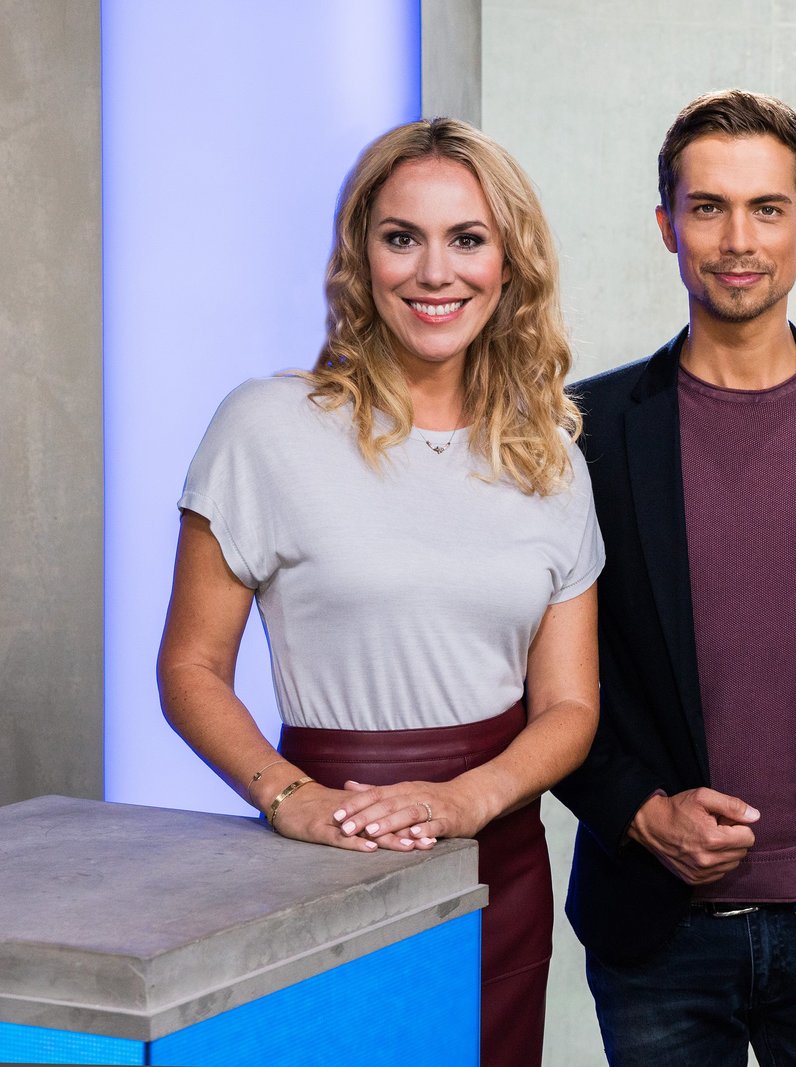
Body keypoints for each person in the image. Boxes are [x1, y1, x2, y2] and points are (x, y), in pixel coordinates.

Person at [156, 118, 601, 1067]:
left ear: (510, 263)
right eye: (403, 237)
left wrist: (467, 800)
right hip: (327, 846)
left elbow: (569, 706)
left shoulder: (551, 457)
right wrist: (290, 798)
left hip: (499, 858)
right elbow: (190, 667)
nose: (435, 272)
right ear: (362, 257)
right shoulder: (264, 427)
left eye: (467, 238)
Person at [551, 89, 796, 1066]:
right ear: (667, 225)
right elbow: (549, 676)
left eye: (766, 209)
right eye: (709, 208)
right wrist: (640, 812)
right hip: (657, 929)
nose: (739, 240)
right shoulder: (586, 434)